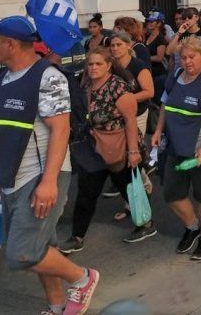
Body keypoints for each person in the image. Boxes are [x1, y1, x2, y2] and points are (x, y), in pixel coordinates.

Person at [0, 16, 99, 315]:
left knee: (22, 253)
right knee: (41, 249)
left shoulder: (48, 77)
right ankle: (56, 306)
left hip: (38, 176)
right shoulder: (3, 78)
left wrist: (49, 181)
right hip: (10, 177)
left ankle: (83, 278)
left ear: (11, 44)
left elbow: (60, 129)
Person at [60, 48, 154, 254]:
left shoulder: (118, 87)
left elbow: (130, 121)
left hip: (118, 146)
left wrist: (132, 152)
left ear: (109, 65)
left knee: (128, 187)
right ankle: (77, 236)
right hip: (94, 148)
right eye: (90, 64)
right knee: (86, 192)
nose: (93, 67)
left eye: (98, 64)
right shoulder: (85, 85)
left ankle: (146, 224)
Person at [152, 38, 201, 261]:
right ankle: (192, 227)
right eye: (183, 57)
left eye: (191, 57)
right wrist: (157, 131)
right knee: (172, 194)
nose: (187, 62)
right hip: (177, 144)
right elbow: (166, 105)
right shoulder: (176, 76)